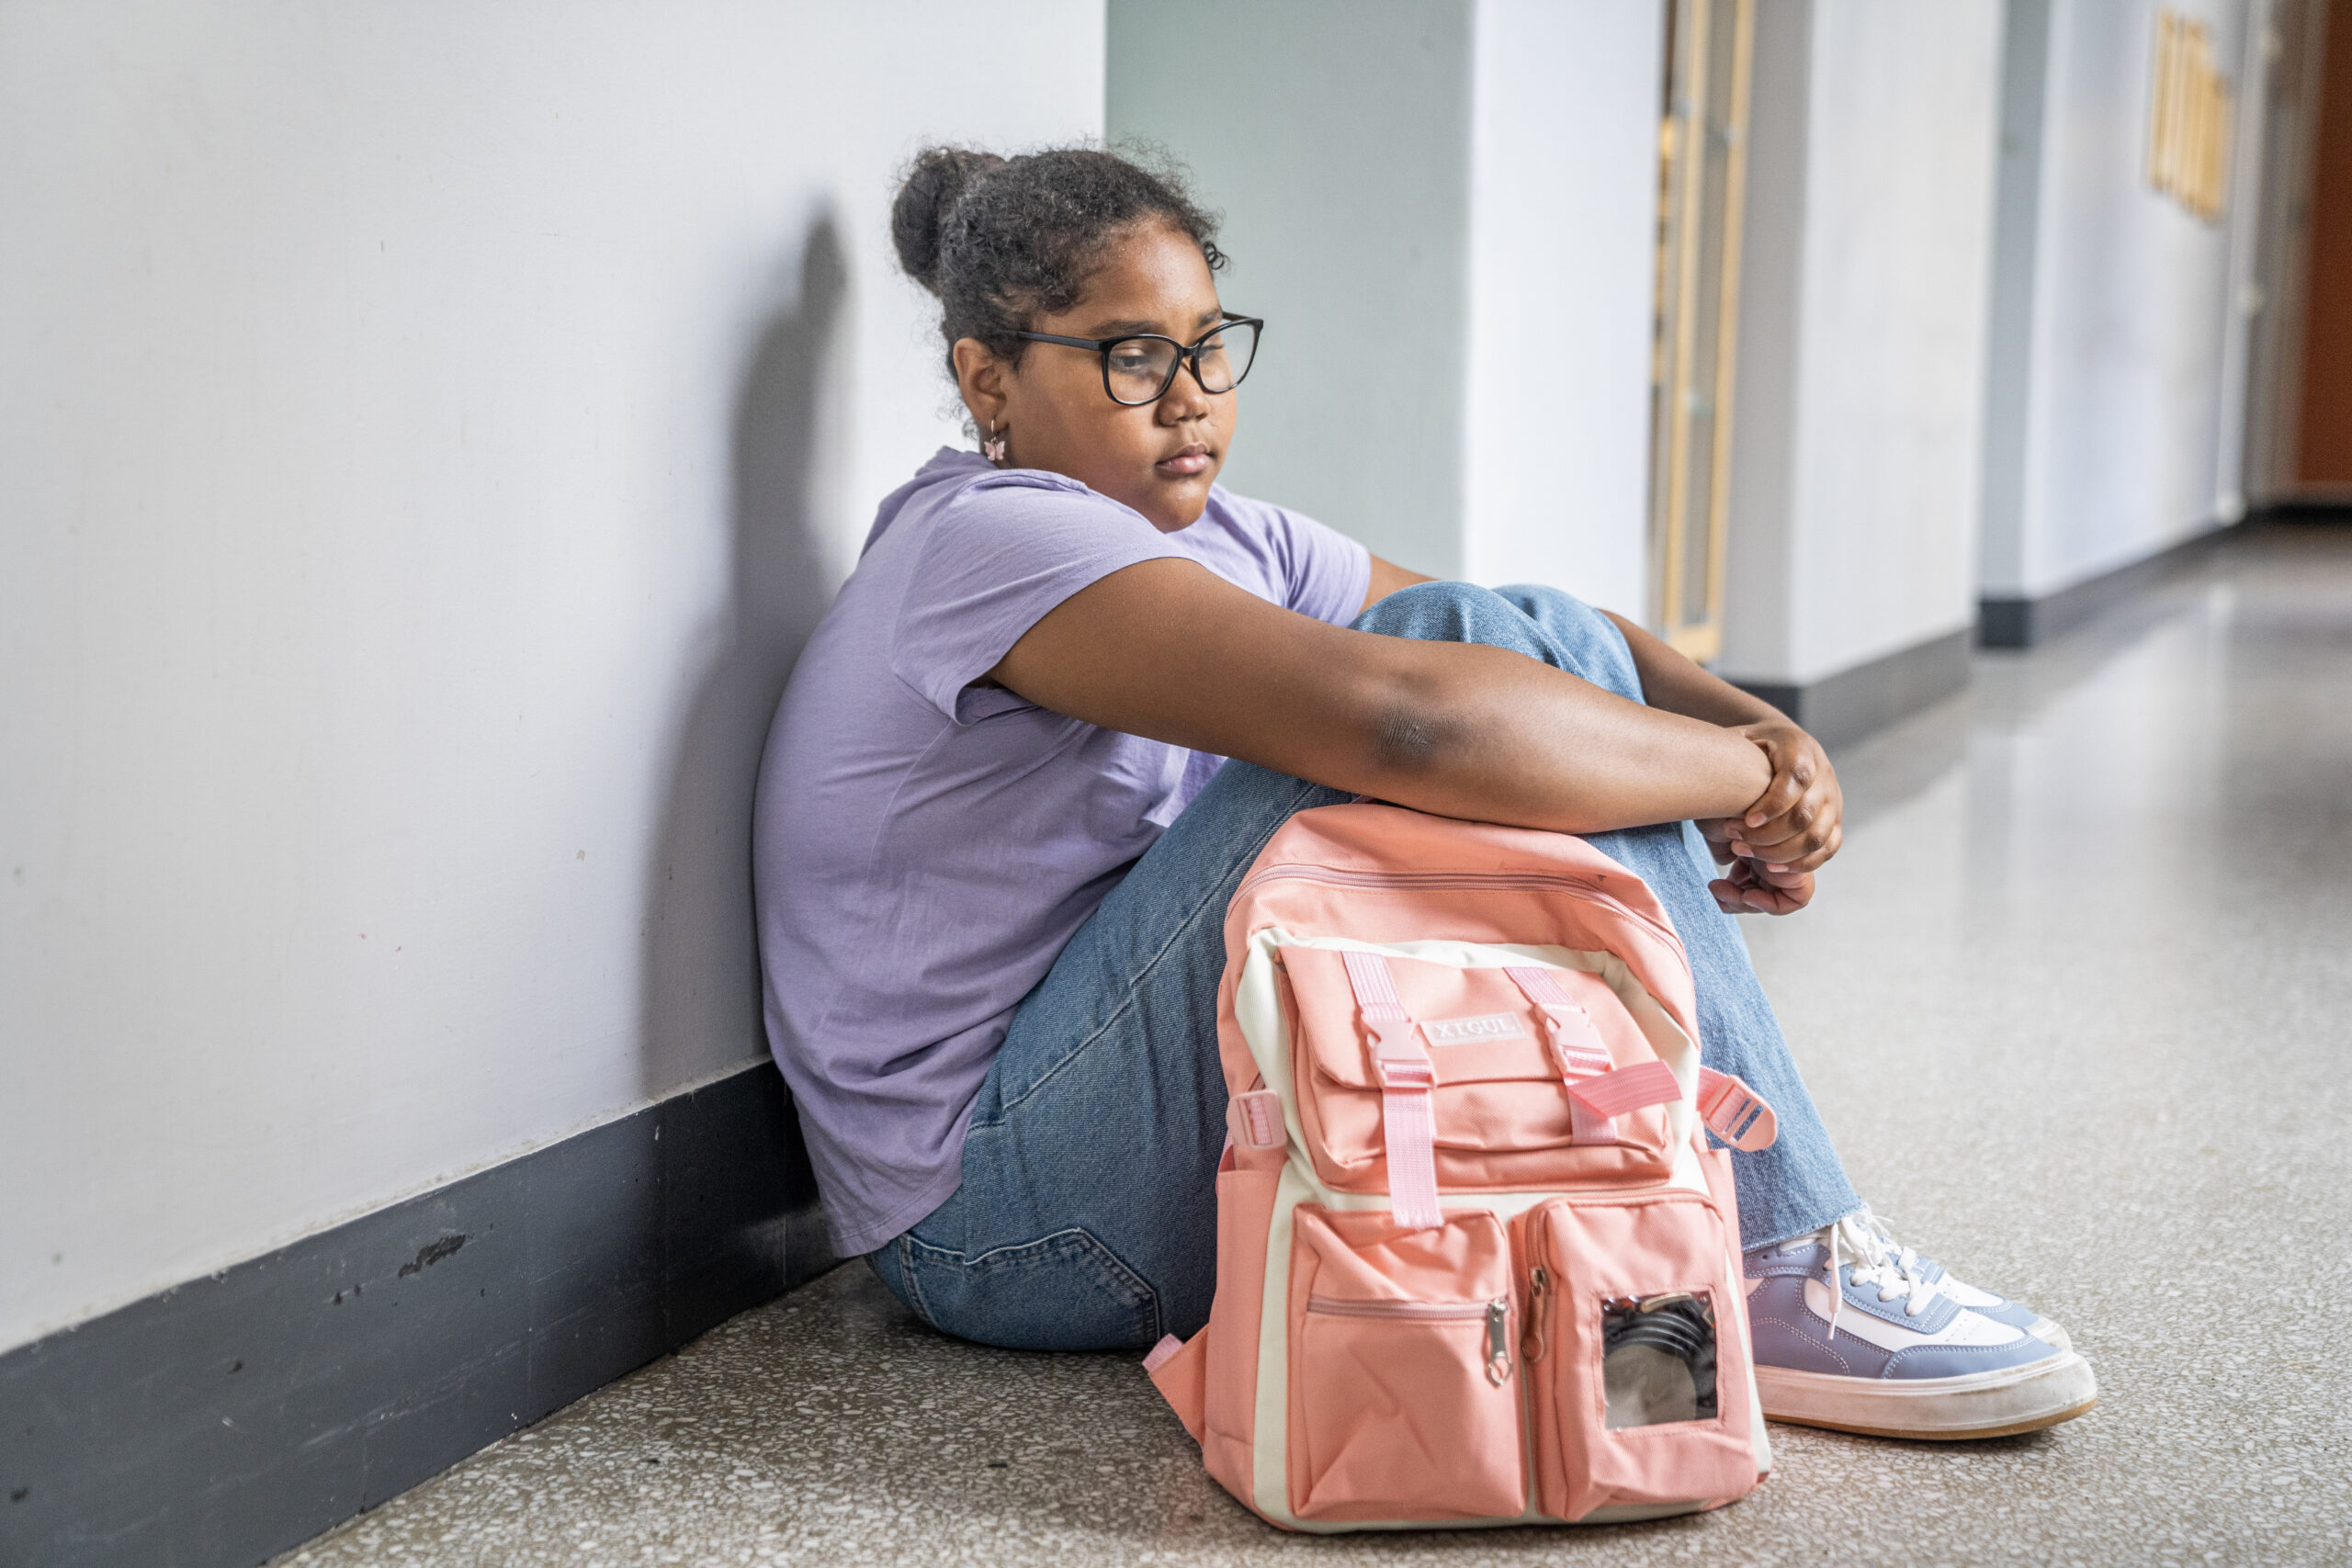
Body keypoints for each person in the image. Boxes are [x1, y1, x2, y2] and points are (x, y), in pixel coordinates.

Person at [752, 146, 2095, 1439]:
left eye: (1212, 345)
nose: (1191, 396)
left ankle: (1683, 1242)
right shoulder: (989, 543)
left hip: (1125, 1133)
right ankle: (1775, 1250)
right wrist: (1734, 779)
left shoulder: (1216, 532)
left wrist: (1761, 726)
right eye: (1130, 356)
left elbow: (1561, 632)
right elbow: (1412, 721)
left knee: (1507, 623)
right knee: (1446, 674)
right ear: (986, 379)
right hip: (999, 1220)